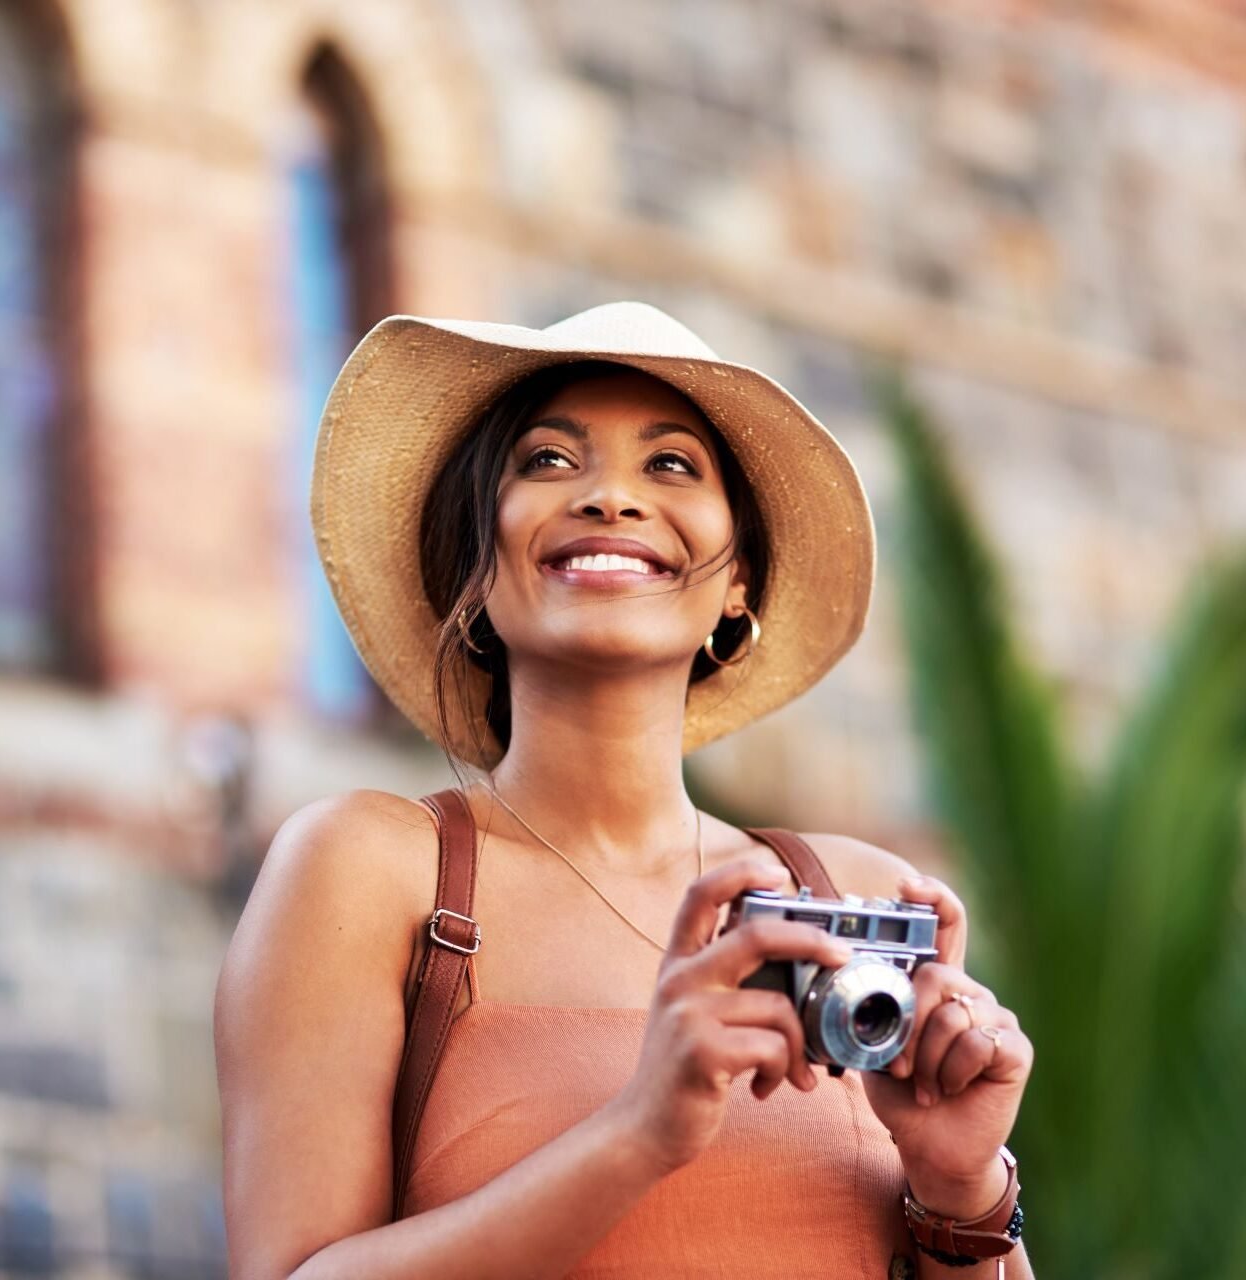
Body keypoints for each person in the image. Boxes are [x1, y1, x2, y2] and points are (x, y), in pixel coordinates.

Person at [215, 302, 1035, 1279]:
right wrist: (639, 1131)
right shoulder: (372, 869)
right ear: (475, 569)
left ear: (738, 582)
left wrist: (963, 1188)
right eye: (549, 461)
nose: (609, 496)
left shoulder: (852, 895)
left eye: (672, 464)